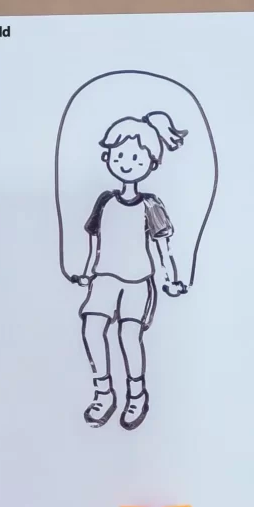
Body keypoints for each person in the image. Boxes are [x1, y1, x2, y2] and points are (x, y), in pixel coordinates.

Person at [73, 111, 191, 430]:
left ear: (151, 162)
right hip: (104, 279)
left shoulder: (150, 205)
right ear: (108, 157)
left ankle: (136, 394)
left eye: (136, 157)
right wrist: (86, 272)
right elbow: (94, 241)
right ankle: (103, 392)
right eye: (120, 155)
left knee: (128, 335)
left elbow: (163, 247)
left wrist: (172, 279)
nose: (127, 163)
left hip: (138, 282)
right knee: (92, 329)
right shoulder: (105, 201)